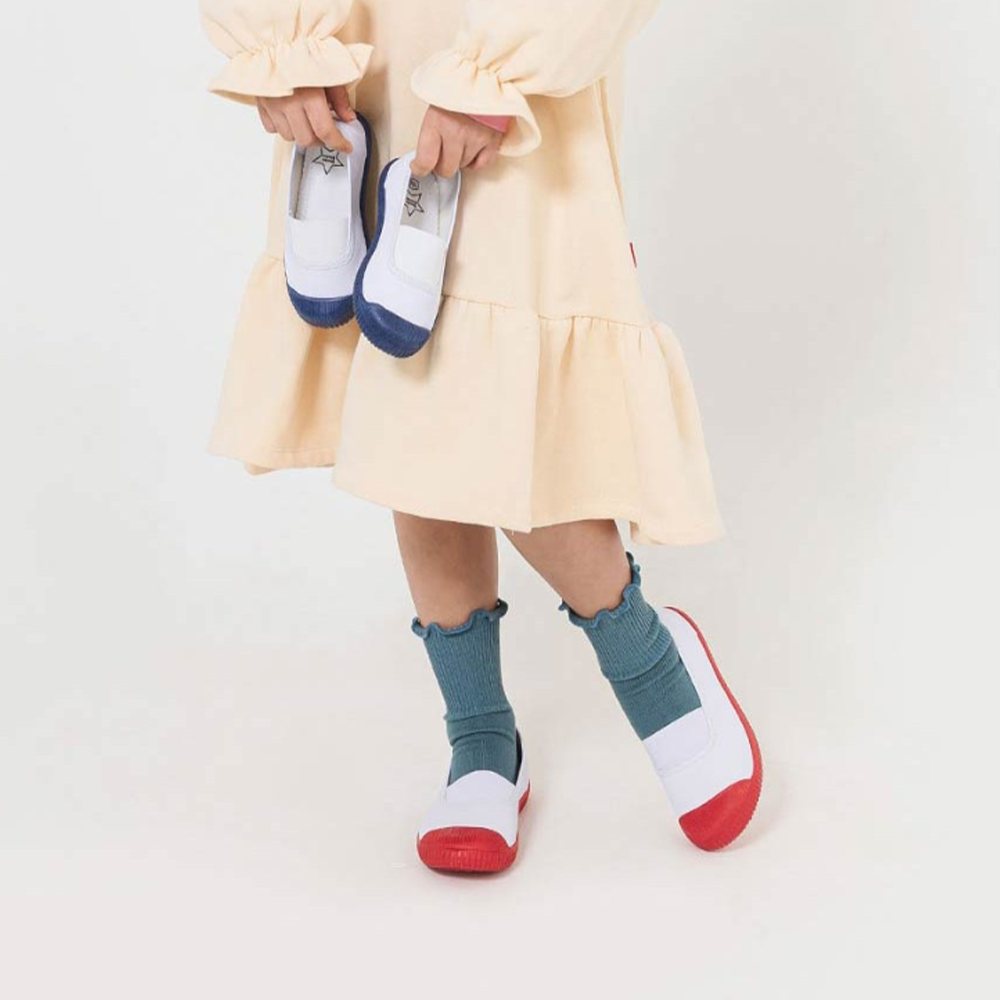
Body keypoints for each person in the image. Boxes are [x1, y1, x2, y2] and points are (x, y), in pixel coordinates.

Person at [199, 0, 762, 874]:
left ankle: (648, 660)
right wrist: (283, 46)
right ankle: (479, 733)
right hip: (368, 54)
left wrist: (500, 66)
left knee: (485, 384)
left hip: (515, 71)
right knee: (408, 383)